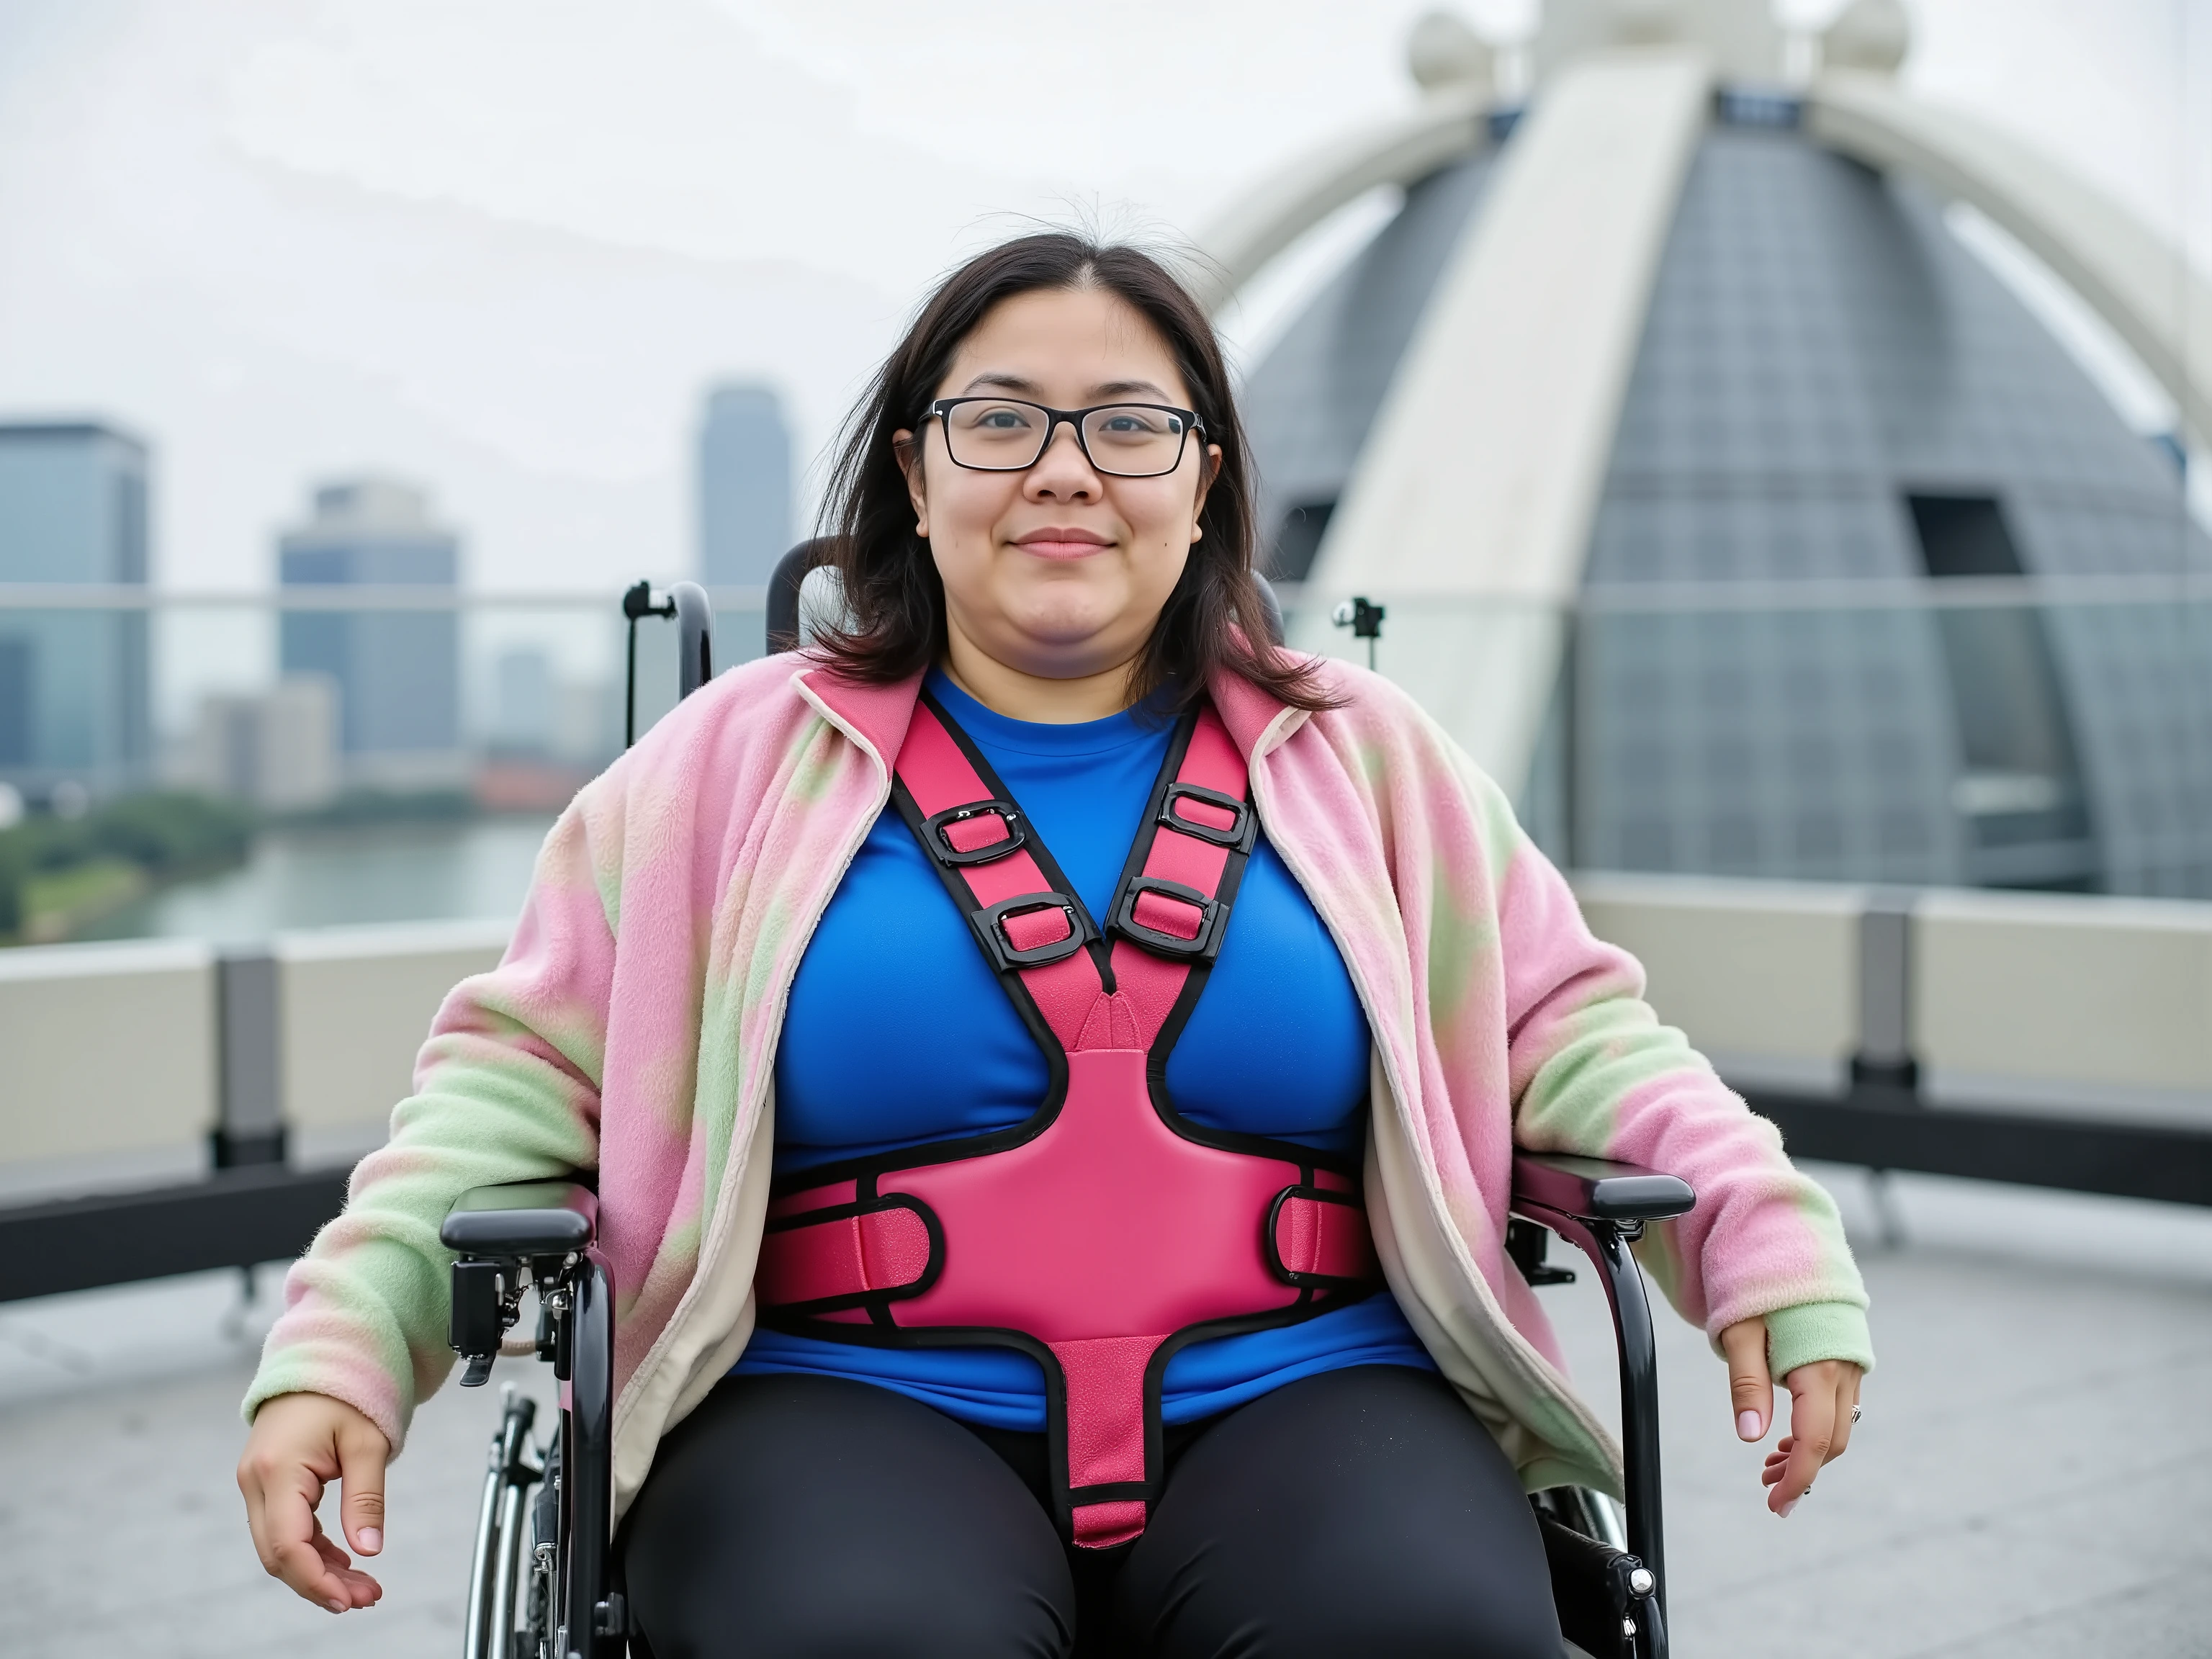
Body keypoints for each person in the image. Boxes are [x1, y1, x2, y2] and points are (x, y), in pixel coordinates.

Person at [236, 232, 1871, 1657]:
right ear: (913, 470)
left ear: (1205, 474)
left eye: (1131, 426)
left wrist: (1759, 1242)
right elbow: (513, 1081)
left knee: (1427, 1630)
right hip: (849, 1394)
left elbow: (1578, 1035)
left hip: (1305, 1381)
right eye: (1001, 421)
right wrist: (349, 1346)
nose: (1065, 469)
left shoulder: (1368, 760)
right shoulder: (724, 772)